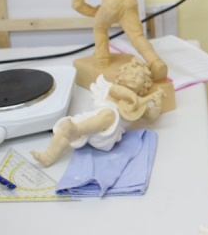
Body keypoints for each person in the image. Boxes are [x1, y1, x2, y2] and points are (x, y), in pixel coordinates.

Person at [31, 57, 165, 167]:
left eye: (139, 76)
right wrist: (136, 98)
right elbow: (121, 92)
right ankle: (48, 156)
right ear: (122, 77)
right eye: (130, 73)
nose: (134, 77)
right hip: (91, 121)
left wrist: (157, 105)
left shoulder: (140, 106)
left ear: (144, 83)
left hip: (108, 134)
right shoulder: (114, 89)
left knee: (110, 114)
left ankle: (76, 129)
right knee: (65, 129)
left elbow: (151, 116)